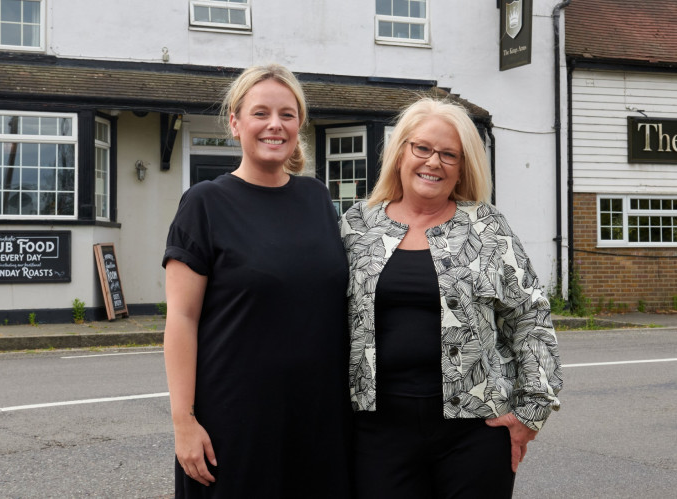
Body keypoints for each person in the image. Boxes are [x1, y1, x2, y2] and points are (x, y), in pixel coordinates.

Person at [340, 97, 563, 498]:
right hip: (378, 431)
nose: (433, 162)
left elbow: (530, 316)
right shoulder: (358, 226)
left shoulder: (487, 228)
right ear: (400, 152)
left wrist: (532, 412)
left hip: (474, 432)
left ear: (462, 168)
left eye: (449, 155)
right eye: (422, 148)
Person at [162, 64, 351, 498]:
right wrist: (183, 421)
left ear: (299, 124)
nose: (274, 124)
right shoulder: (204, 203)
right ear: (235, 121)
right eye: (260, 112)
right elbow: (182, 319)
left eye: (287, 114)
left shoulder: (317, 199)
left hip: (319, 422)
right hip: (236, 423)